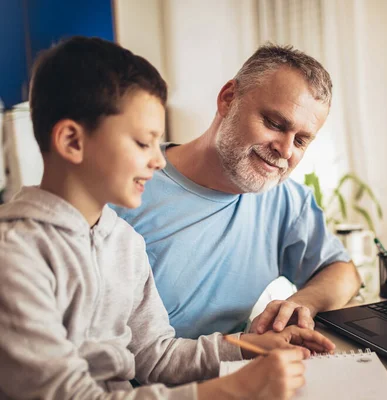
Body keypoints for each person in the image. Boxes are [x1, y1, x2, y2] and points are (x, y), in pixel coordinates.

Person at [0, 36, 335, 399]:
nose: (160, 160)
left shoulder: (123, 241)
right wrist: (227, 390)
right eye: (144, 143)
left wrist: (248, 346)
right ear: (72, 141)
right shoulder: (14, 254)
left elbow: (155, 354)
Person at [114, 44, 362, 338]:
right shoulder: (126, 188)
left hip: (236, 369)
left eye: (300, 141)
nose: (284, 150)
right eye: (274, 123)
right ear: (228, 99)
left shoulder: (284, 199)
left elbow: (344, 272)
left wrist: (300, 304)